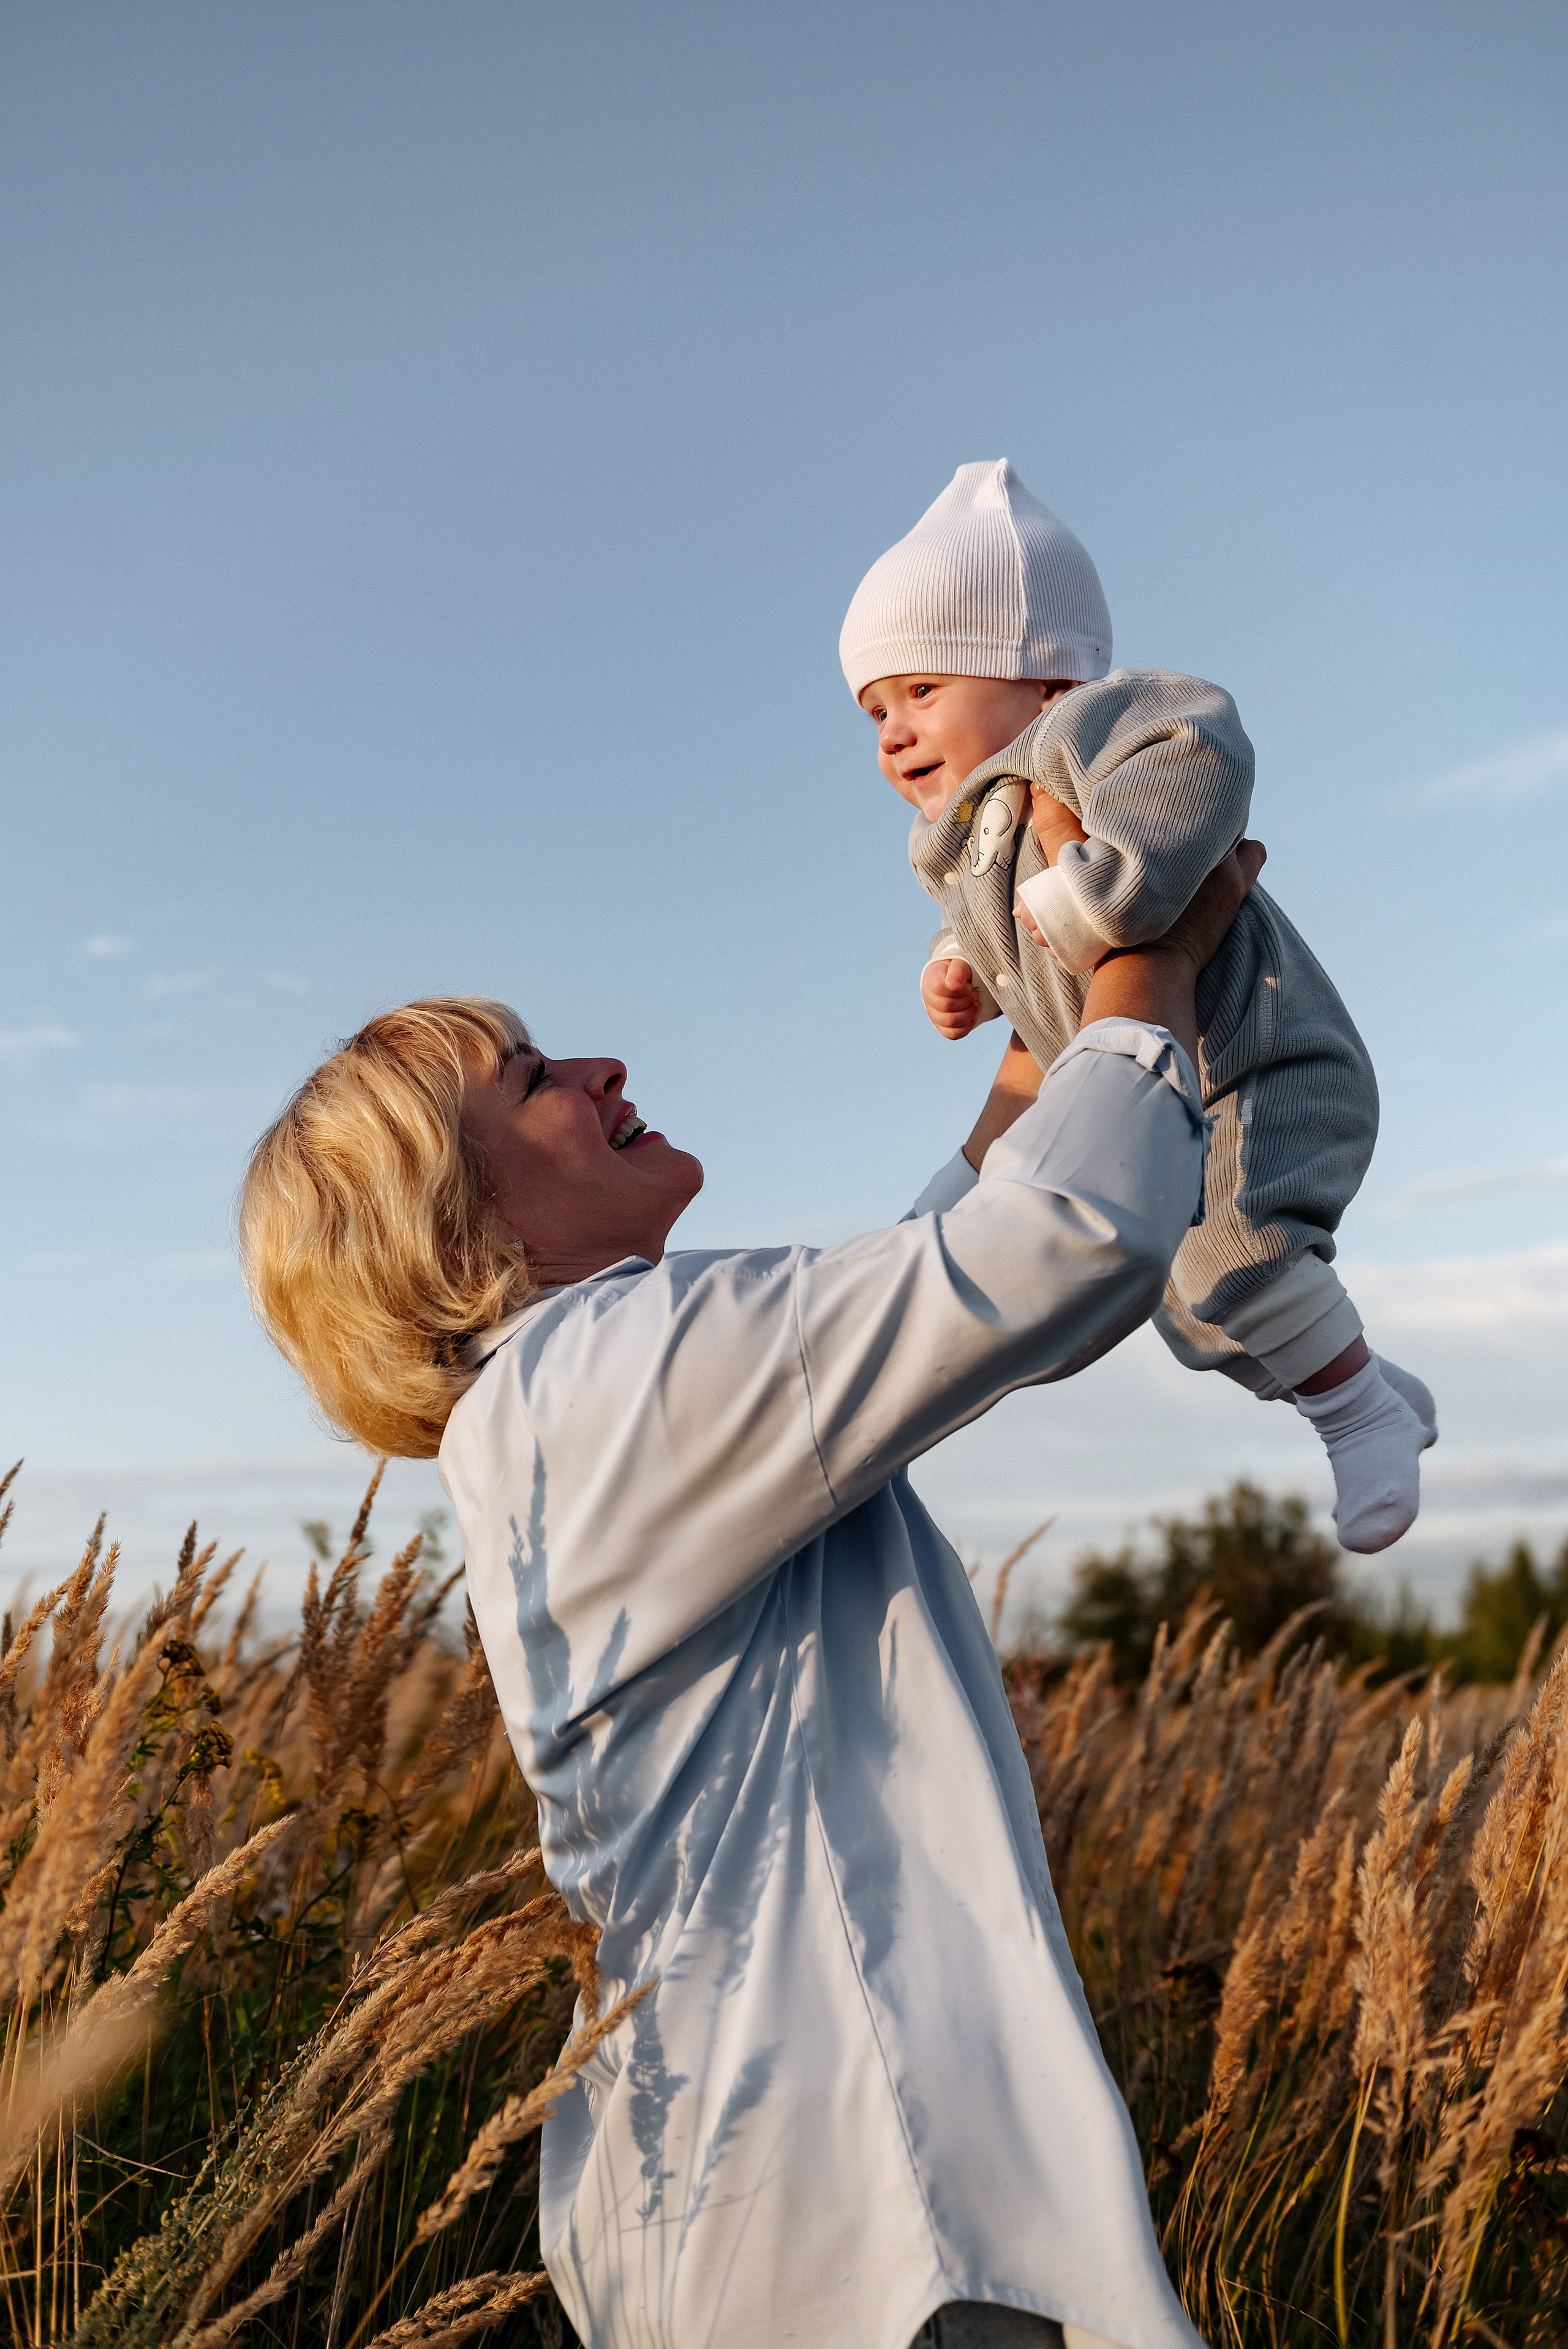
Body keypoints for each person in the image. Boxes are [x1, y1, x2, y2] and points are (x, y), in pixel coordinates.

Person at [238, 848, 1258, 2349]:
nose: (600, 1068)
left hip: (749, 2218)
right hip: (875, 2217)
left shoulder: (554, 1410)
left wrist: (1038, 1045)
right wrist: (1143, 970)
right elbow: (1054, 1251)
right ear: (454, 1216)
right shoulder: (599, 1376)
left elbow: (919, 1289)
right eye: (531, 1080)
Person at [840, 459, 1437, 1555]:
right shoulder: (963, 837)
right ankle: (1360, 1385)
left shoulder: (1098, 729)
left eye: (921, 691)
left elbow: (1199, 757)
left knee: (1228, 1254)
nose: (890, 731)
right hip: (1173, 1088)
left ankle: (1356, 1414)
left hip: (1258, 1061)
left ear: (1042, 680)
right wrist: (959, 968)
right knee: (1184, 1303)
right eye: (874, 709)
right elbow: (1009, 937)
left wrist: (1101, 890)